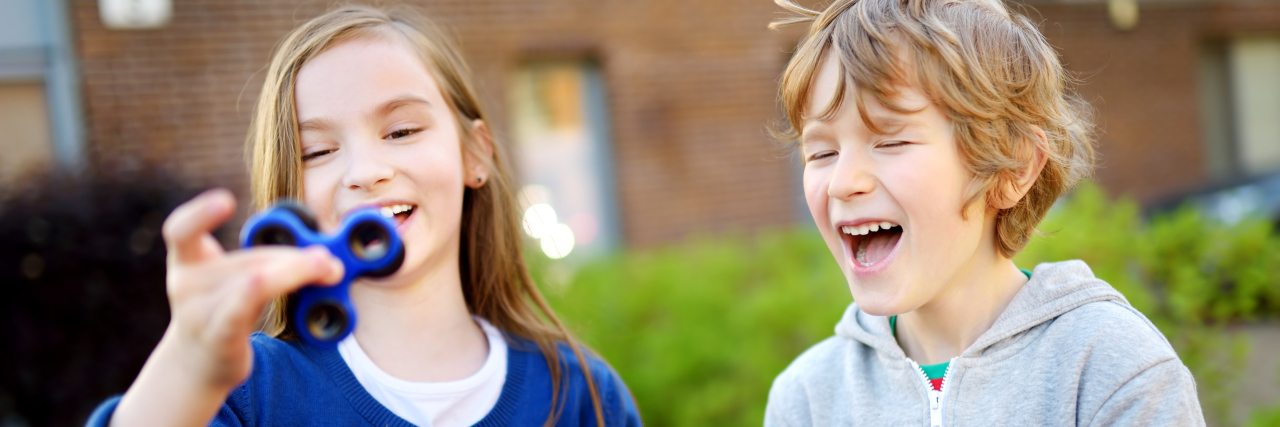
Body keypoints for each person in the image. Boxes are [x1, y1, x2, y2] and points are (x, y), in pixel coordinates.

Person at [86, 4, 640, 427]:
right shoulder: (248, 393)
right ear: (290, 200)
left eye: (401, 131)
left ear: (475, 154)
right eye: (318, 152)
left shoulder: (583, 396)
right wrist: (186, 362)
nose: (366, 171)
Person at [764, 0, 1205, 425]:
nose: (842, 181)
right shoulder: (806, 399)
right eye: (821, 152)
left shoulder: (1110, 371)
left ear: (1013, 168)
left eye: (890, 141)